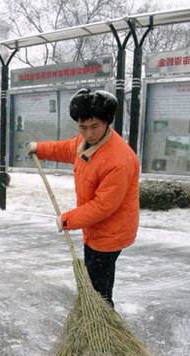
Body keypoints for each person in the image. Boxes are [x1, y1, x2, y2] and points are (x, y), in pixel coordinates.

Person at [27, 88, 139, 307]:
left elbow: (103, 206)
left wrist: (68, 220)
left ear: (107, 123)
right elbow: (65, 149)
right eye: (83, 127)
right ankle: (100, 321)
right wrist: (39, 148)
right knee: (98, 283)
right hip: (96, 229)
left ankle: (102, 328)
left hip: (110, 233)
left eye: (94, 126)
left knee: (97, 289)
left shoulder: (119, 159)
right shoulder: (85, 142)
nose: (88, 133)